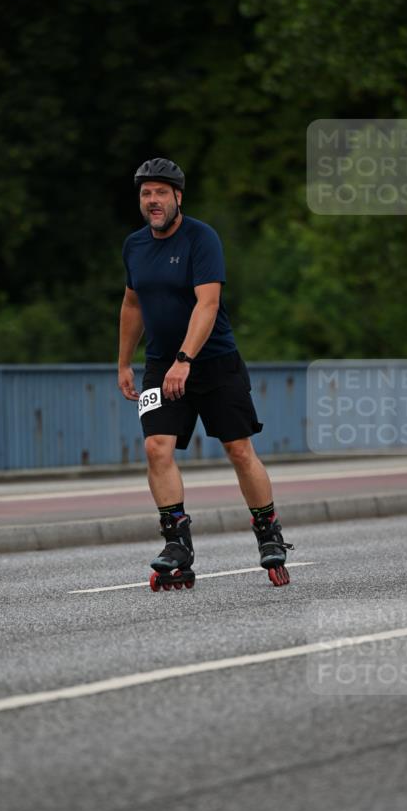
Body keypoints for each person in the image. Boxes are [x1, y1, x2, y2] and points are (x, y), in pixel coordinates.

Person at [117, 157, 293, 589]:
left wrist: (186, 359)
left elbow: (207, 304)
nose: (152, 201)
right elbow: (132, 305)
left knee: (238, 449)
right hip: (161, 365)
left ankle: (268, 533)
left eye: (161, 193)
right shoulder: (134, 246)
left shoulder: (202, 238)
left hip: (212, 362)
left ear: (178, 197)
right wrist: (123, 361)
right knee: (157, 448)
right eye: (146, 193)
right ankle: (177, 542)